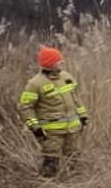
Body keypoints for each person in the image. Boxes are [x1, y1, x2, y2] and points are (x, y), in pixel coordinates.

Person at [19, 47, 88, 177]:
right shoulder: (35, 84)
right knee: (51, 161)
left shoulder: (66, 77)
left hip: (72, 129)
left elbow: (76, 98)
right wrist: (35, 128)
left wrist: (83, 116)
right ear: (50, 63)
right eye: (58, 61)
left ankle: (75, 184)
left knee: (74, 159)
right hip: (51, 133)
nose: (62, 62)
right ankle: (48, 187)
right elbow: (25, 107)